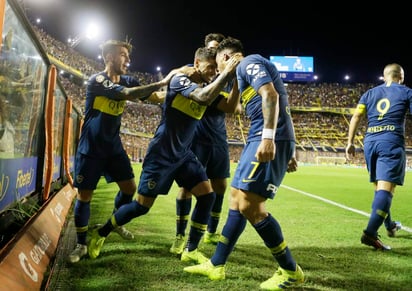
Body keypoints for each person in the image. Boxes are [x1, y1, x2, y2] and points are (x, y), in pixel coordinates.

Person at [87, 47, 242, 264]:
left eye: (216, 69)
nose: (213, 72)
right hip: (161, 153)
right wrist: (225, 74)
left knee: (207, 196)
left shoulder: (210, 84)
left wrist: (234, 80)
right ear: (196, 63)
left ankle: (191, 248)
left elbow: (230, 106)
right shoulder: (180, 80)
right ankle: (101, 232)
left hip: (184, 155)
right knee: (142, 206)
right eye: (210, 68)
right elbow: (202, 97)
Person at [184, 37, 303, 290]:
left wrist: (272, 139)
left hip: (266, 136)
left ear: (226, 57)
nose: (217, 68)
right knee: (236, 199)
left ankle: (290, 270)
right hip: (259, 136)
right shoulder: (241, 74)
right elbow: (281, 100)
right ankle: (217, 265)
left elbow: (272, 95)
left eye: (218, 62)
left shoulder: (250, 62)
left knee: (251, 205)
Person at [68, 39, 180, 263]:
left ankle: (114, 222)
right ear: (109, 57)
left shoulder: (129, 80)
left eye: (128, 56)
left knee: (129, 189)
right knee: (85, 196)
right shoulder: (98, 80)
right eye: (123, 55)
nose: (128, 60)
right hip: (91, 148)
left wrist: (180, 90)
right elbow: (128, 94)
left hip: (114, 147)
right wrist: (164, 81)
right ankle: (80, 244)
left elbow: (153, 97)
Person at [169, 32, 241, 255]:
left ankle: (210, 230)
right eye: (212, 49)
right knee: (187, 187)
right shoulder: (192, 75)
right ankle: (180, 235)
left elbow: (235, 108)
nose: (217, 55)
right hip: (196, 137)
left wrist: (234, 78)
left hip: (218, 138)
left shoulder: (224, 80)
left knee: (219, 186)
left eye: (219, 51)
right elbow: (175, 77)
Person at [345, 63, 409, 251]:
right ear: (401, 76)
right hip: (391, 141)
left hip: (370, 142)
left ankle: (389, 225)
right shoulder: (406, 92)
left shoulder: (369, 94)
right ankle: (370, 233)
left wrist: (349, 142)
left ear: (384, 76)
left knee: (380, 188)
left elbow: (356, 116)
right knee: (386, 191)